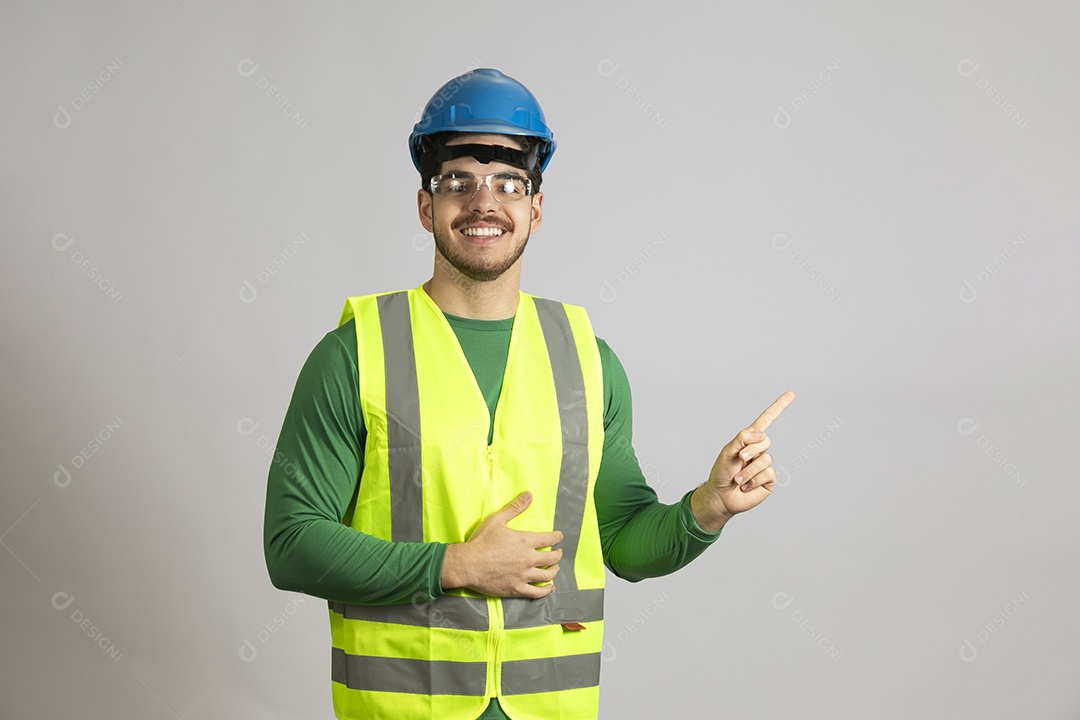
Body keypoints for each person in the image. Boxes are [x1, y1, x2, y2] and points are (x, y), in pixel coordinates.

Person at [263, 67, 795, 720]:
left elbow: (622, 540)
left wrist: (707, 508)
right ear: (426, 205)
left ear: (535, 209)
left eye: (508, 182)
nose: (484, 202)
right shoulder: (354, 355)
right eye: (459, 180)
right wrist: (455, 565)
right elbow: (291, 544)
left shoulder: (588, 361)